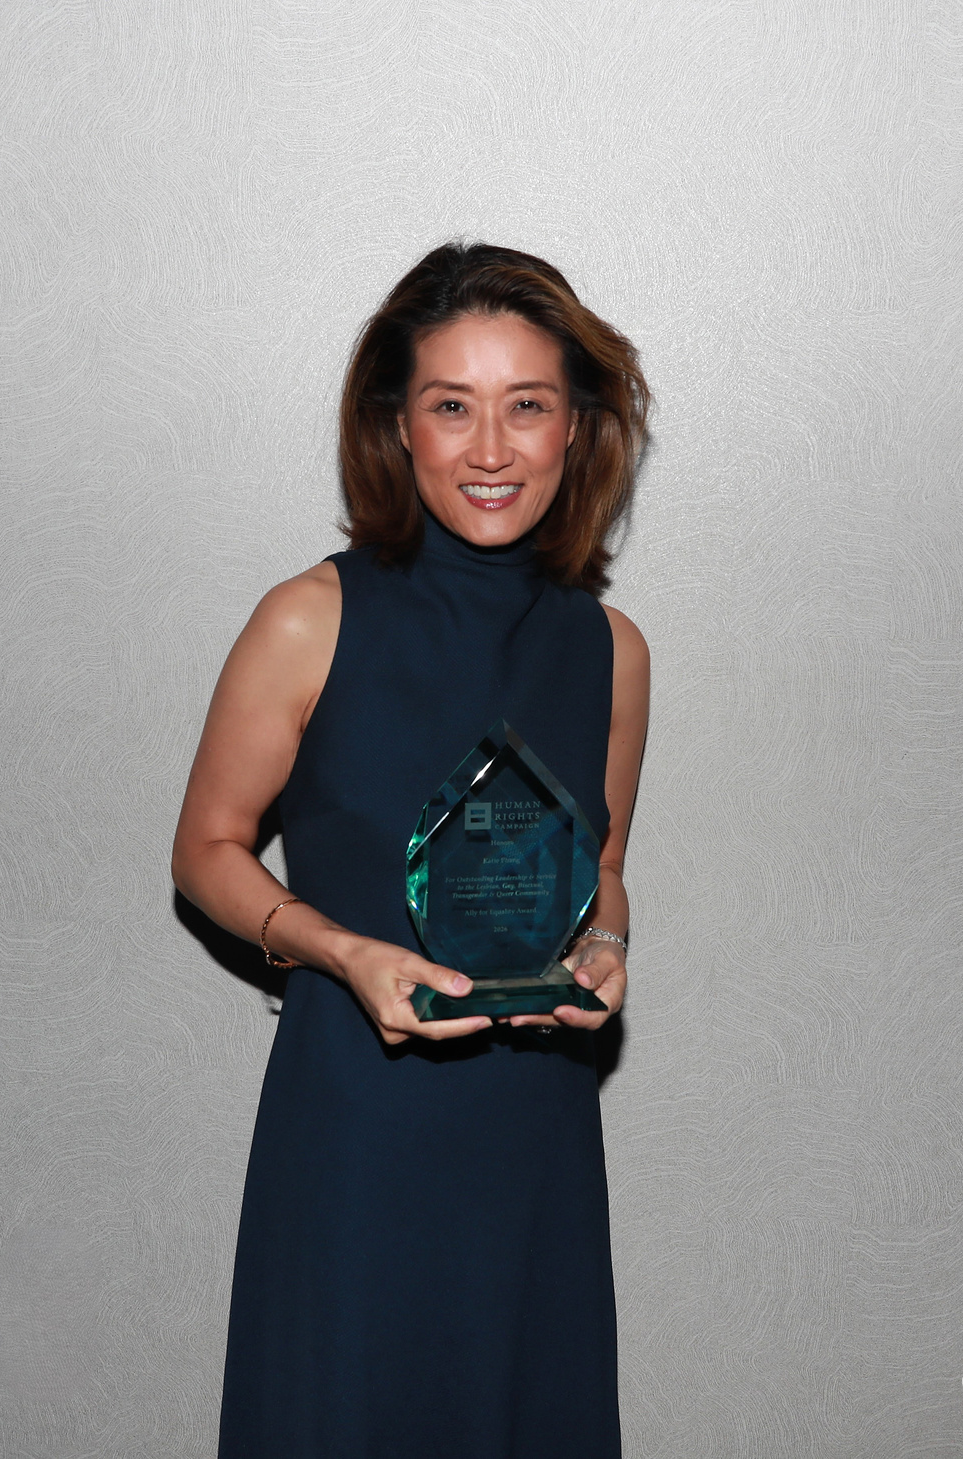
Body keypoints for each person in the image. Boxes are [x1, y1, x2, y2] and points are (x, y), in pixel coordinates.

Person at [172, 240, 651, 1459]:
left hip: (532, 1135)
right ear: (397, 427)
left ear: (577, 428)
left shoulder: (613, 652)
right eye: (452, 407)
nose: (490, 449)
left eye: (527, 407)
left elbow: (598, 872)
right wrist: (338, 951)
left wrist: (604, 949)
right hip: (359, 1130)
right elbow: (208, 851)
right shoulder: (307, 617)